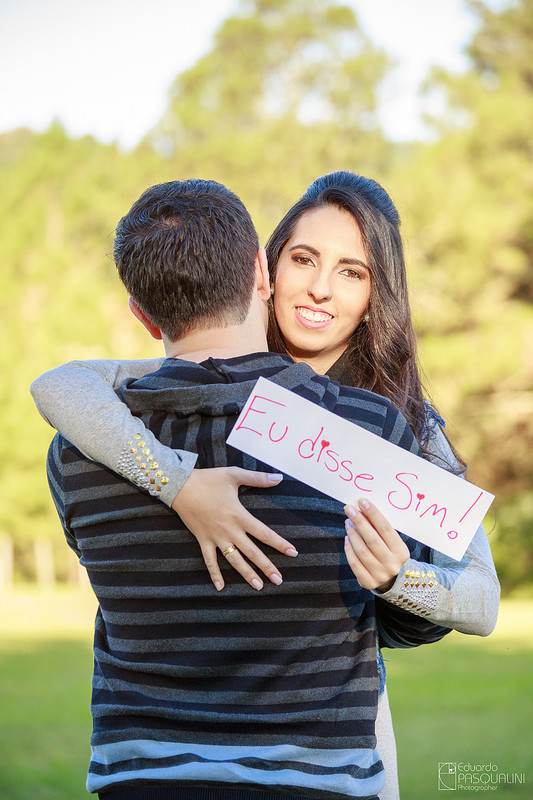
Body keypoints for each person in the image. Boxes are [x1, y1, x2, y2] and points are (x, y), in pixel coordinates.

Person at [32, 173, 499, 799]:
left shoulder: (395, 427)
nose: (320, 288)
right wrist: (178, 485)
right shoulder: (112, 422)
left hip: (329, 735)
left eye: (353, 272)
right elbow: (65, 384)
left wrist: (396, 581)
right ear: (264, 269)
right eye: (303, 258)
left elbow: (474, 598)